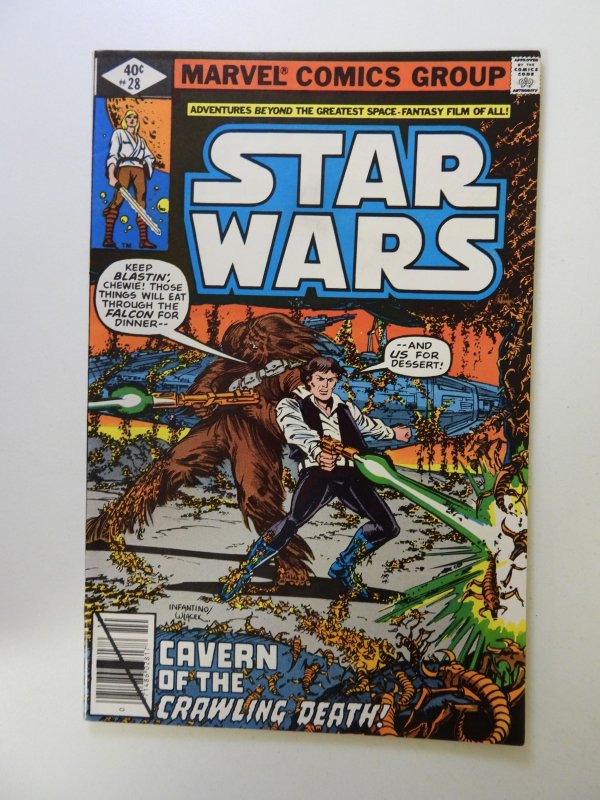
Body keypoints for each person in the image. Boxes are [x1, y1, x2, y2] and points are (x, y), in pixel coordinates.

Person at [220, 356, 411, 600]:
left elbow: (367, 425)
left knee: (388, 526)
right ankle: (245, 571)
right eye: (320, 379)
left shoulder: (345, 407)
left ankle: (342, 567)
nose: (325, 385)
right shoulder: (292, 405)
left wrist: (392, 432)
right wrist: (317, 452)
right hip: (319, 473)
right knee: (292, 521)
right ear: (309, 380)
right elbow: (296, 431)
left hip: (350, 474)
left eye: (330, 380)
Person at [102, 109, 156, 249]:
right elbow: (113, 154)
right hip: (124, 167)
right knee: (118, 199)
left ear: (137, 121)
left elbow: (150, 157)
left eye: (134, 117)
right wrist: (111, 174)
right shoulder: (119, 134)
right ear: (125, 120)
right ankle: (108, 238)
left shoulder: (141, 141)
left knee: (141, 203)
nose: (132, 120)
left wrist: (146, 163)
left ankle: (143, 240)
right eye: (129, 117)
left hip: (139, 170)